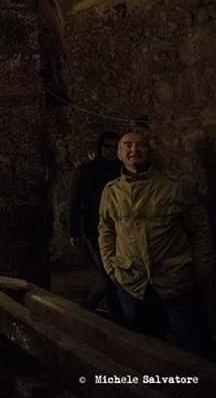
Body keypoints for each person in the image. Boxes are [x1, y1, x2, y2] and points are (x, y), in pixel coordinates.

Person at [98, 129, 212, 352]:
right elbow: (106, 231)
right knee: (144, 348)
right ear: (119, 153)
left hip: (175, 280)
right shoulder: (111, 192)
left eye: (141, 145)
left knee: (193, 345)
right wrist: (111, 267)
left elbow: (199, 228)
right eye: (128, 145)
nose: (134, 150)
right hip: (132, 281)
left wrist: (203, 267)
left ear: (149, 152)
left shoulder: (174, 186)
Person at [69, 131, 123, 319]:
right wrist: (74, 232)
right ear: (100, 148)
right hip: (95, 230)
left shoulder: (123, 169)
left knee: (113, 275)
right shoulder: (86, 170)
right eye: (107, 146)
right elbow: (75, 202)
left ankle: (95, 309)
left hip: (121, 231)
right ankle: (91, 310)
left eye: (115, 146)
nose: (110, 150)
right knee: (107, 276)